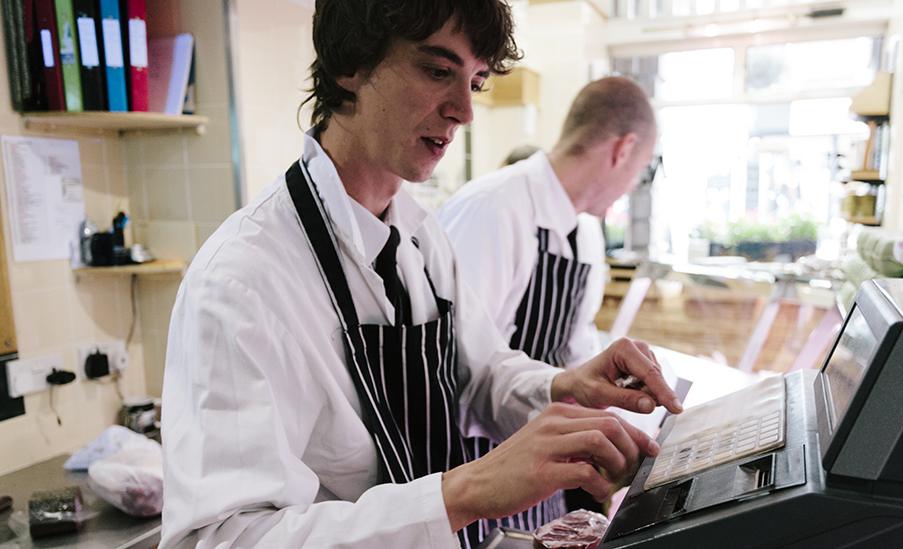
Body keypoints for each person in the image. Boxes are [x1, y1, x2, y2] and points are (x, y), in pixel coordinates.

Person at [160, 2, 680, 548]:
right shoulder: (243, 279)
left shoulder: (419, 235)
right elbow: (220, 539)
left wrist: (565, 385)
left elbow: (479, 373)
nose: (463, 111)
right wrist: (464, 492)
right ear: (350, 66)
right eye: (437, 71)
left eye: (475, 81)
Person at [439, 77, 658, 522]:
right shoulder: (492, 209)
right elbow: (456, 373)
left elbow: (575, 351)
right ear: (622, 150)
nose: (632, 184)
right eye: (642, 170)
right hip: (474, 474)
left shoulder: (587, 233)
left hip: (547, 472)